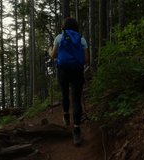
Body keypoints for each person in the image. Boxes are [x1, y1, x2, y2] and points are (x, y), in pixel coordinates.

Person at [48, 17, 89, 145]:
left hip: (63, 71)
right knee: (76, 99)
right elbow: (86, 59)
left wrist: (49, 50)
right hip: (77, 71)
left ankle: (66, 116)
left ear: (64, 27)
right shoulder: (81, 39)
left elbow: (53, 55)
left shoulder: (59, 38)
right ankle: (76, 131)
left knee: (65, 94)